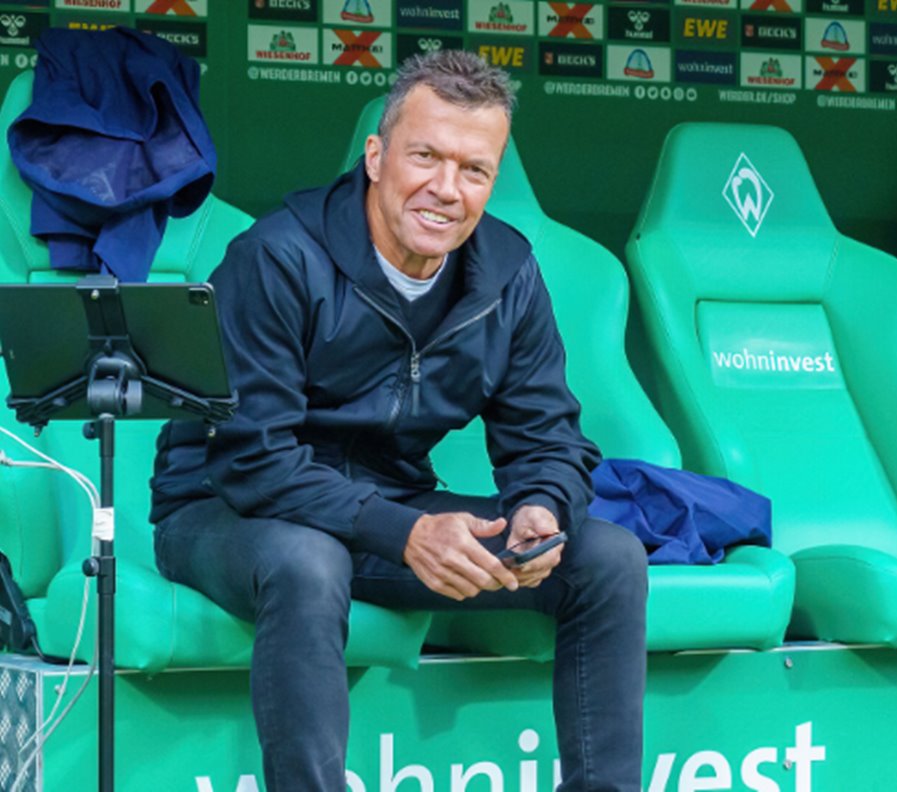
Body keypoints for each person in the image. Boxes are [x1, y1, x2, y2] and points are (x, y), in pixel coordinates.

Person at [150, 50, 648, 792]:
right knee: (307, 561)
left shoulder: (507, 274)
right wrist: (406, 532)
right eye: (425, 157)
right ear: (376, 157)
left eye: (474, 170)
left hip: (388, 506)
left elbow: (547, 435)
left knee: (608, 557)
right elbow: (254, 459)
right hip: (224, 508)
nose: (446, 189)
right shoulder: (277, 257)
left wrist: (542, 506)